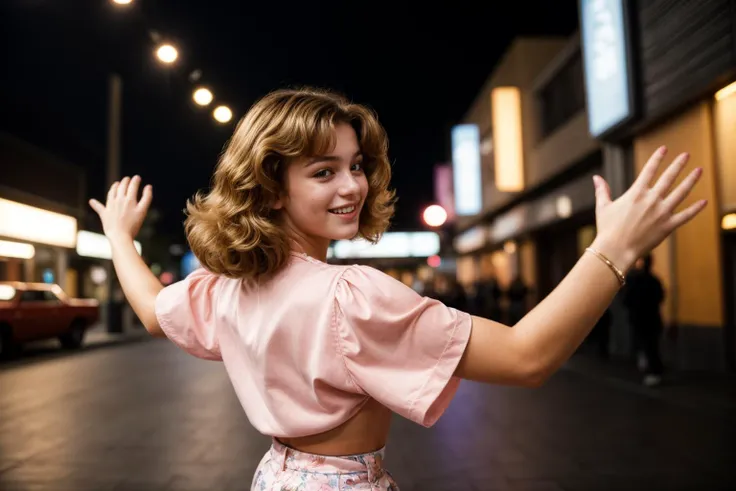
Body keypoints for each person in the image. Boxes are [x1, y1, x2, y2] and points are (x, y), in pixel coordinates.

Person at [89, 88, 706, 490]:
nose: (352, 186)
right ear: (272, 187)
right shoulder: (350, 295)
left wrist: (120, 236)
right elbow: (527, 357)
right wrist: (615, 249)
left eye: (355, 165)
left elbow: (151, 311)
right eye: (324, 171)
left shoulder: (228, 289)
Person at [624, 254, 666, 386]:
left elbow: (627, 299)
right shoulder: (654, 280)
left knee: (647, 346)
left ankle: (651, 371)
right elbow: (660, 297)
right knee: (651, 346)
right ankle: (653, 371)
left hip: (642, 319)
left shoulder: (636, 281)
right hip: (651, 319)